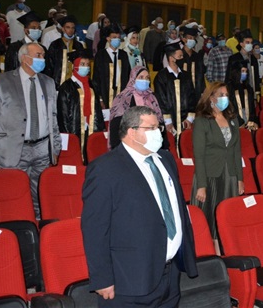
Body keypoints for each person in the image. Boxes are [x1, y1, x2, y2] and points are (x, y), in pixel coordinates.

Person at [81, 106, 198, 306]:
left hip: (171, 274)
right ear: (132, 132)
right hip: (130, 279)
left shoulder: (166, 159)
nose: (158, 133)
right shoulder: (104, 169)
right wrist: (102, 278)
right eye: (151, 128)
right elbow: (95, 228)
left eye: (158, 127)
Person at [0, 42, 62, 218]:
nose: (43, 59)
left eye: (43, 55)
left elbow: (53, 117)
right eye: (39, 55)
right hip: (13, 148)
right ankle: (17, 226)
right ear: (25, 58)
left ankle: (38, 225)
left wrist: (55, 147)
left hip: (42, 148)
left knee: (40, 195)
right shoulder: (1, 82)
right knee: (14, 193)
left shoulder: (48, 82)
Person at [191, 82, 244, 239]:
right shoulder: (202, 121)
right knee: (210, 219)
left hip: (230, 174)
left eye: (226, 95)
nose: (224, 98)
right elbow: (199, 155)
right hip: (210, 176)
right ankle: (213, 250)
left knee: (227, 218)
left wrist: (240, 179)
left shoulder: (232, 119)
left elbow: (236, 151)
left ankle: (225, 248)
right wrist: (201, 185)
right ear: (211, 98)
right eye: (221, 95)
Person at [108, 66, 166, 150]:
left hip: (153, 144)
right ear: (133, 78)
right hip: (130, 144)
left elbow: (159, 122)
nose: (144, 81)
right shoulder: (123, 98)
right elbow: (117, 124)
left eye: (147, 78)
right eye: (141, 77)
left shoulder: (152, 97)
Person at [57, 51, 106, 148]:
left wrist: (101, 126)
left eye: (87, 64)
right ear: (75, 66)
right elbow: (63, 114)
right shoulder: (66, 87)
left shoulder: (92, 84)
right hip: (74, 127)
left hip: (91, 126)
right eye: (82, 64)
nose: (86, 67)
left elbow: (97, 108)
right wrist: (67, 135)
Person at [154, 44, 196, 142]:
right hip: (169, 120)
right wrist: (167, 121)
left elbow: (192, 97)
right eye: (179, 56)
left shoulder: (186, 76)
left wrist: (189, 118)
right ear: (171, 58)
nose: (182, 59)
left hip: (185, 120)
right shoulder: (161, 76)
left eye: (182, 56)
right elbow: (161, 99)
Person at [93, 25, 131, 110]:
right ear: (108, 38)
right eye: (114, 37)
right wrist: (100, 98)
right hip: (105, 92)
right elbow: (96, 78)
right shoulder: (101, 55)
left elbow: (128, 75)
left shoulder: (123, 55)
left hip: (121, 92)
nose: (117, 40)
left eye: (118, 37)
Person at [44, 15, 85, 89]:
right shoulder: (55, 45)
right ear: (63, 29)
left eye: (72, 28)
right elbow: (49, 65)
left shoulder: (78, 46)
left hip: (74, 83)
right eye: (68, 27)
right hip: (58, 82)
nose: (70, 30)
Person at [226, 59, 258, 130]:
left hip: (247, 117)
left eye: (246, 71)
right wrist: (240, 122)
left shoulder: (248, 88)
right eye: (243, 71)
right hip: (235, 118)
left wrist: (251, 120)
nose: (245, 73)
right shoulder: (230, 87)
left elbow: (252, 106)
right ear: (237, 72)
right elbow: (230, 107)